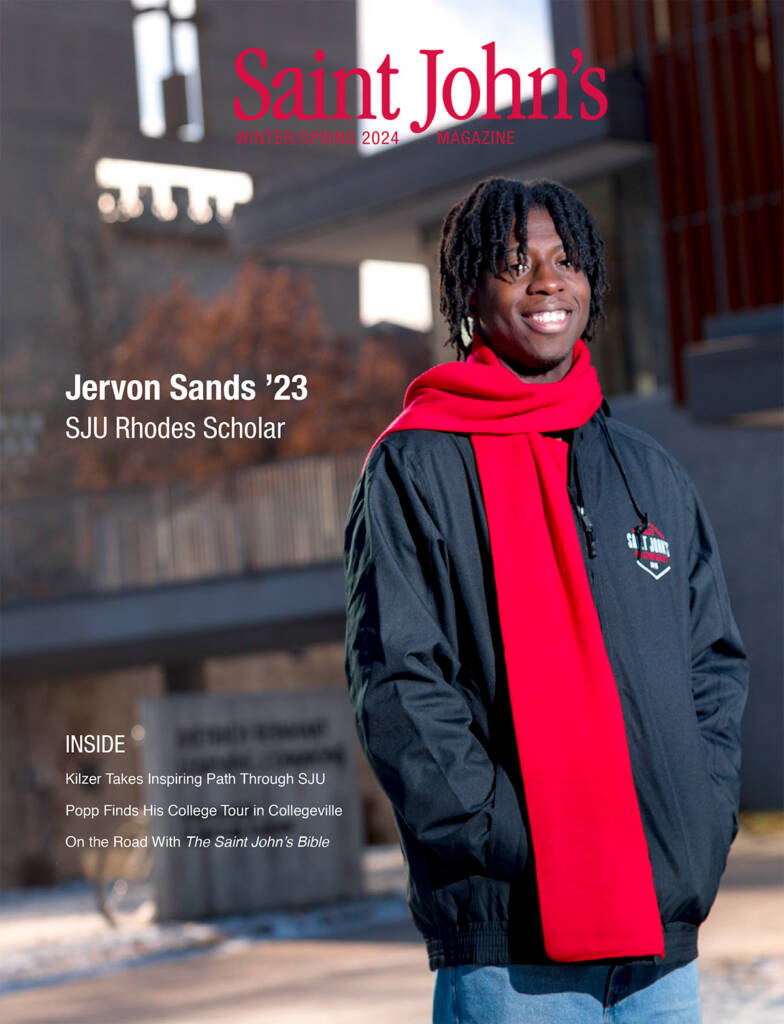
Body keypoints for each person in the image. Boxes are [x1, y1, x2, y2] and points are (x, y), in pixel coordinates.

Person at [343, 177, 748, 1024]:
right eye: (515, 262)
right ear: (468, 289)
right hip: (512, 957)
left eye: (566, 262)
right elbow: (401, 687)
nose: (547, 282)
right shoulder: (417, 466)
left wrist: (696, 829)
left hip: (659, 950)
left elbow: (713, 666)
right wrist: (515, 847)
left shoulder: (648, 474)